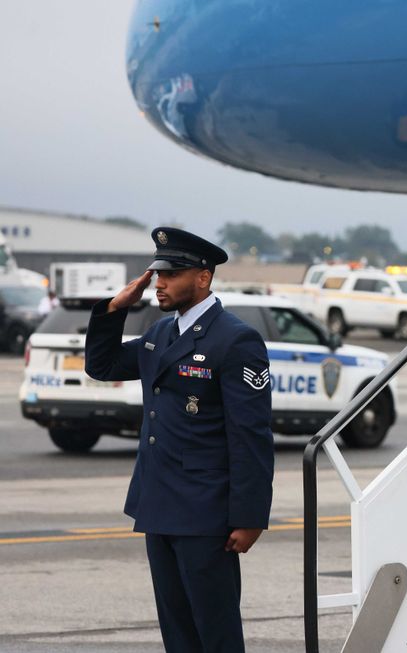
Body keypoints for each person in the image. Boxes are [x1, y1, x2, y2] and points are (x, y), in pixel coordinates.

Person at [85, 227, 275, 653]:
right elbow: (102, 365)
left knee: (215, 631)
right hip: (159, 505)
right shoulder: (160, 334)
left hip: (206, 512)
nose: (159, 283)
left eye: (170, 274)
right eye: (156, 274)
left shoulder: (235, 339)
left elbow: (251, 436)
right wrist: (114, 309)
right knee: (178, 633)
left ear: (203, 278)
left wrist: (250, 516)